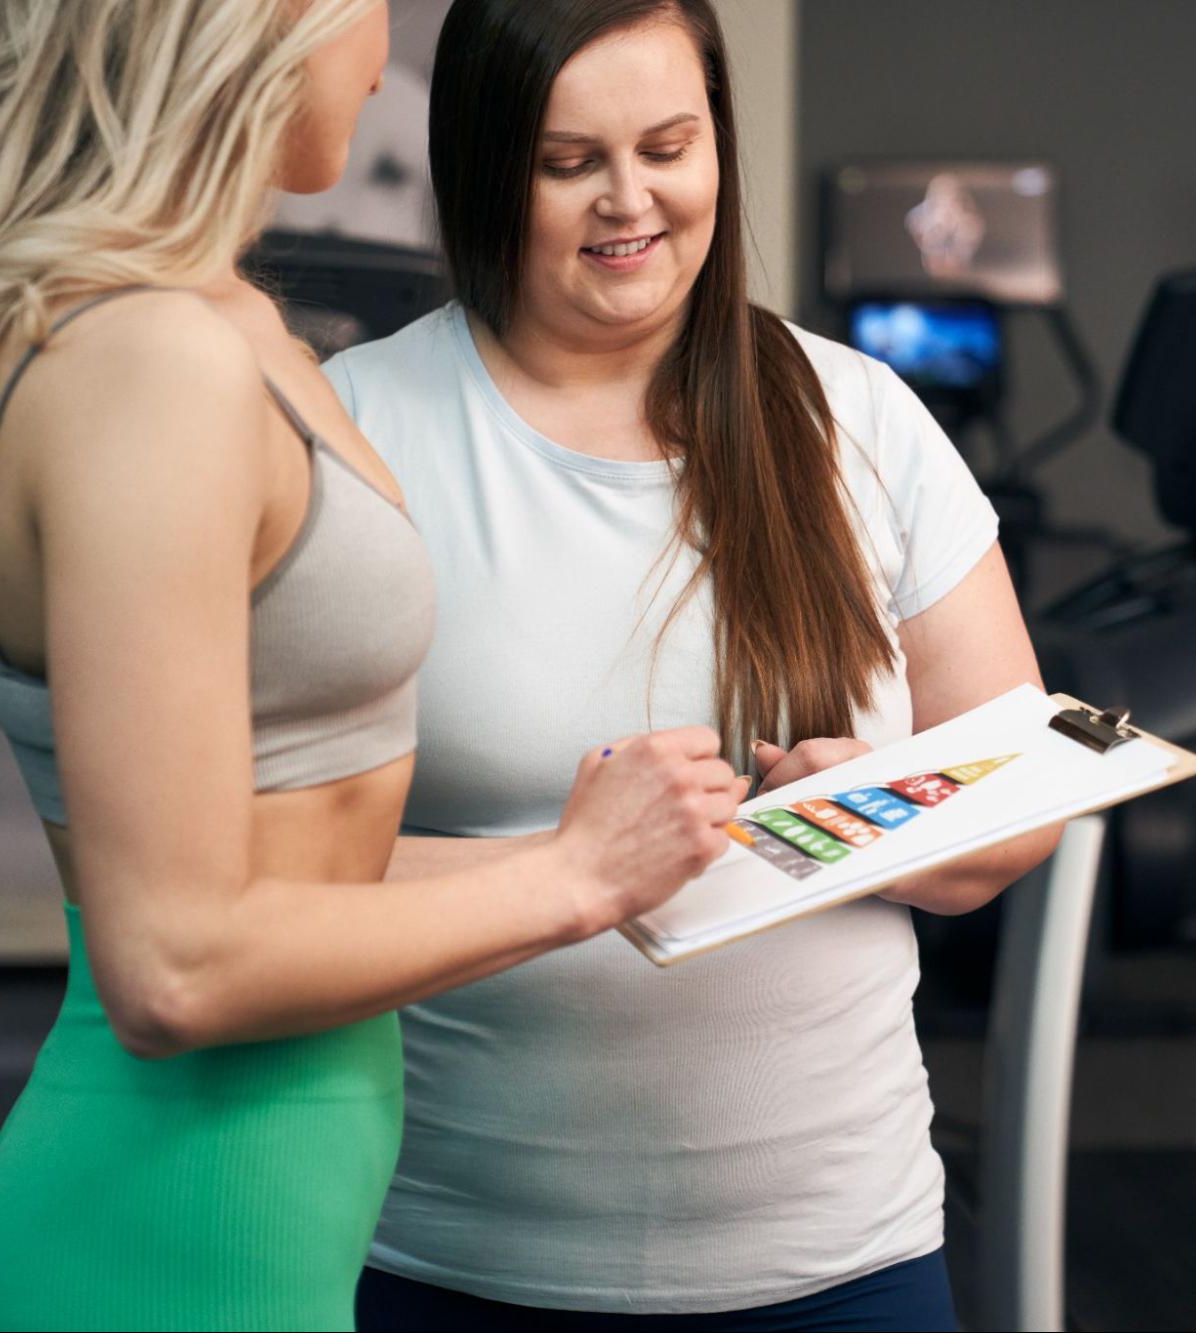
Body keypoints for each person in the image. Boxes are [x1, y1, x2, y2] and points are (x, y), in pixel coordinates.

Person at [0, 2, 742, 1327]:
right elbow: (175, 964)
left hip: (258, 1226)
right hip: (169, 1244)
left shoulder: (212, 320)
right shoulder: (145, 357)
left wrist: (587, 850)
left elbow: (289, 862)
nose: (385, 56)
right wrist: (574, 878)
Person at [327, 1, 1060, 1327]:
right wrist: (568, 863)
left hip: (844, 1259)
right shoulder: (359, 427)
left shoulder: (860, 415)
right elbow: (266, 869)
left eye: (668, 147)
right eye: (570, 163)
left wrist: (871, 807)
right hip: (457, 1256)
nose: (631, 200)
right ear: (484, 169)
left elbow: (1021, 798)